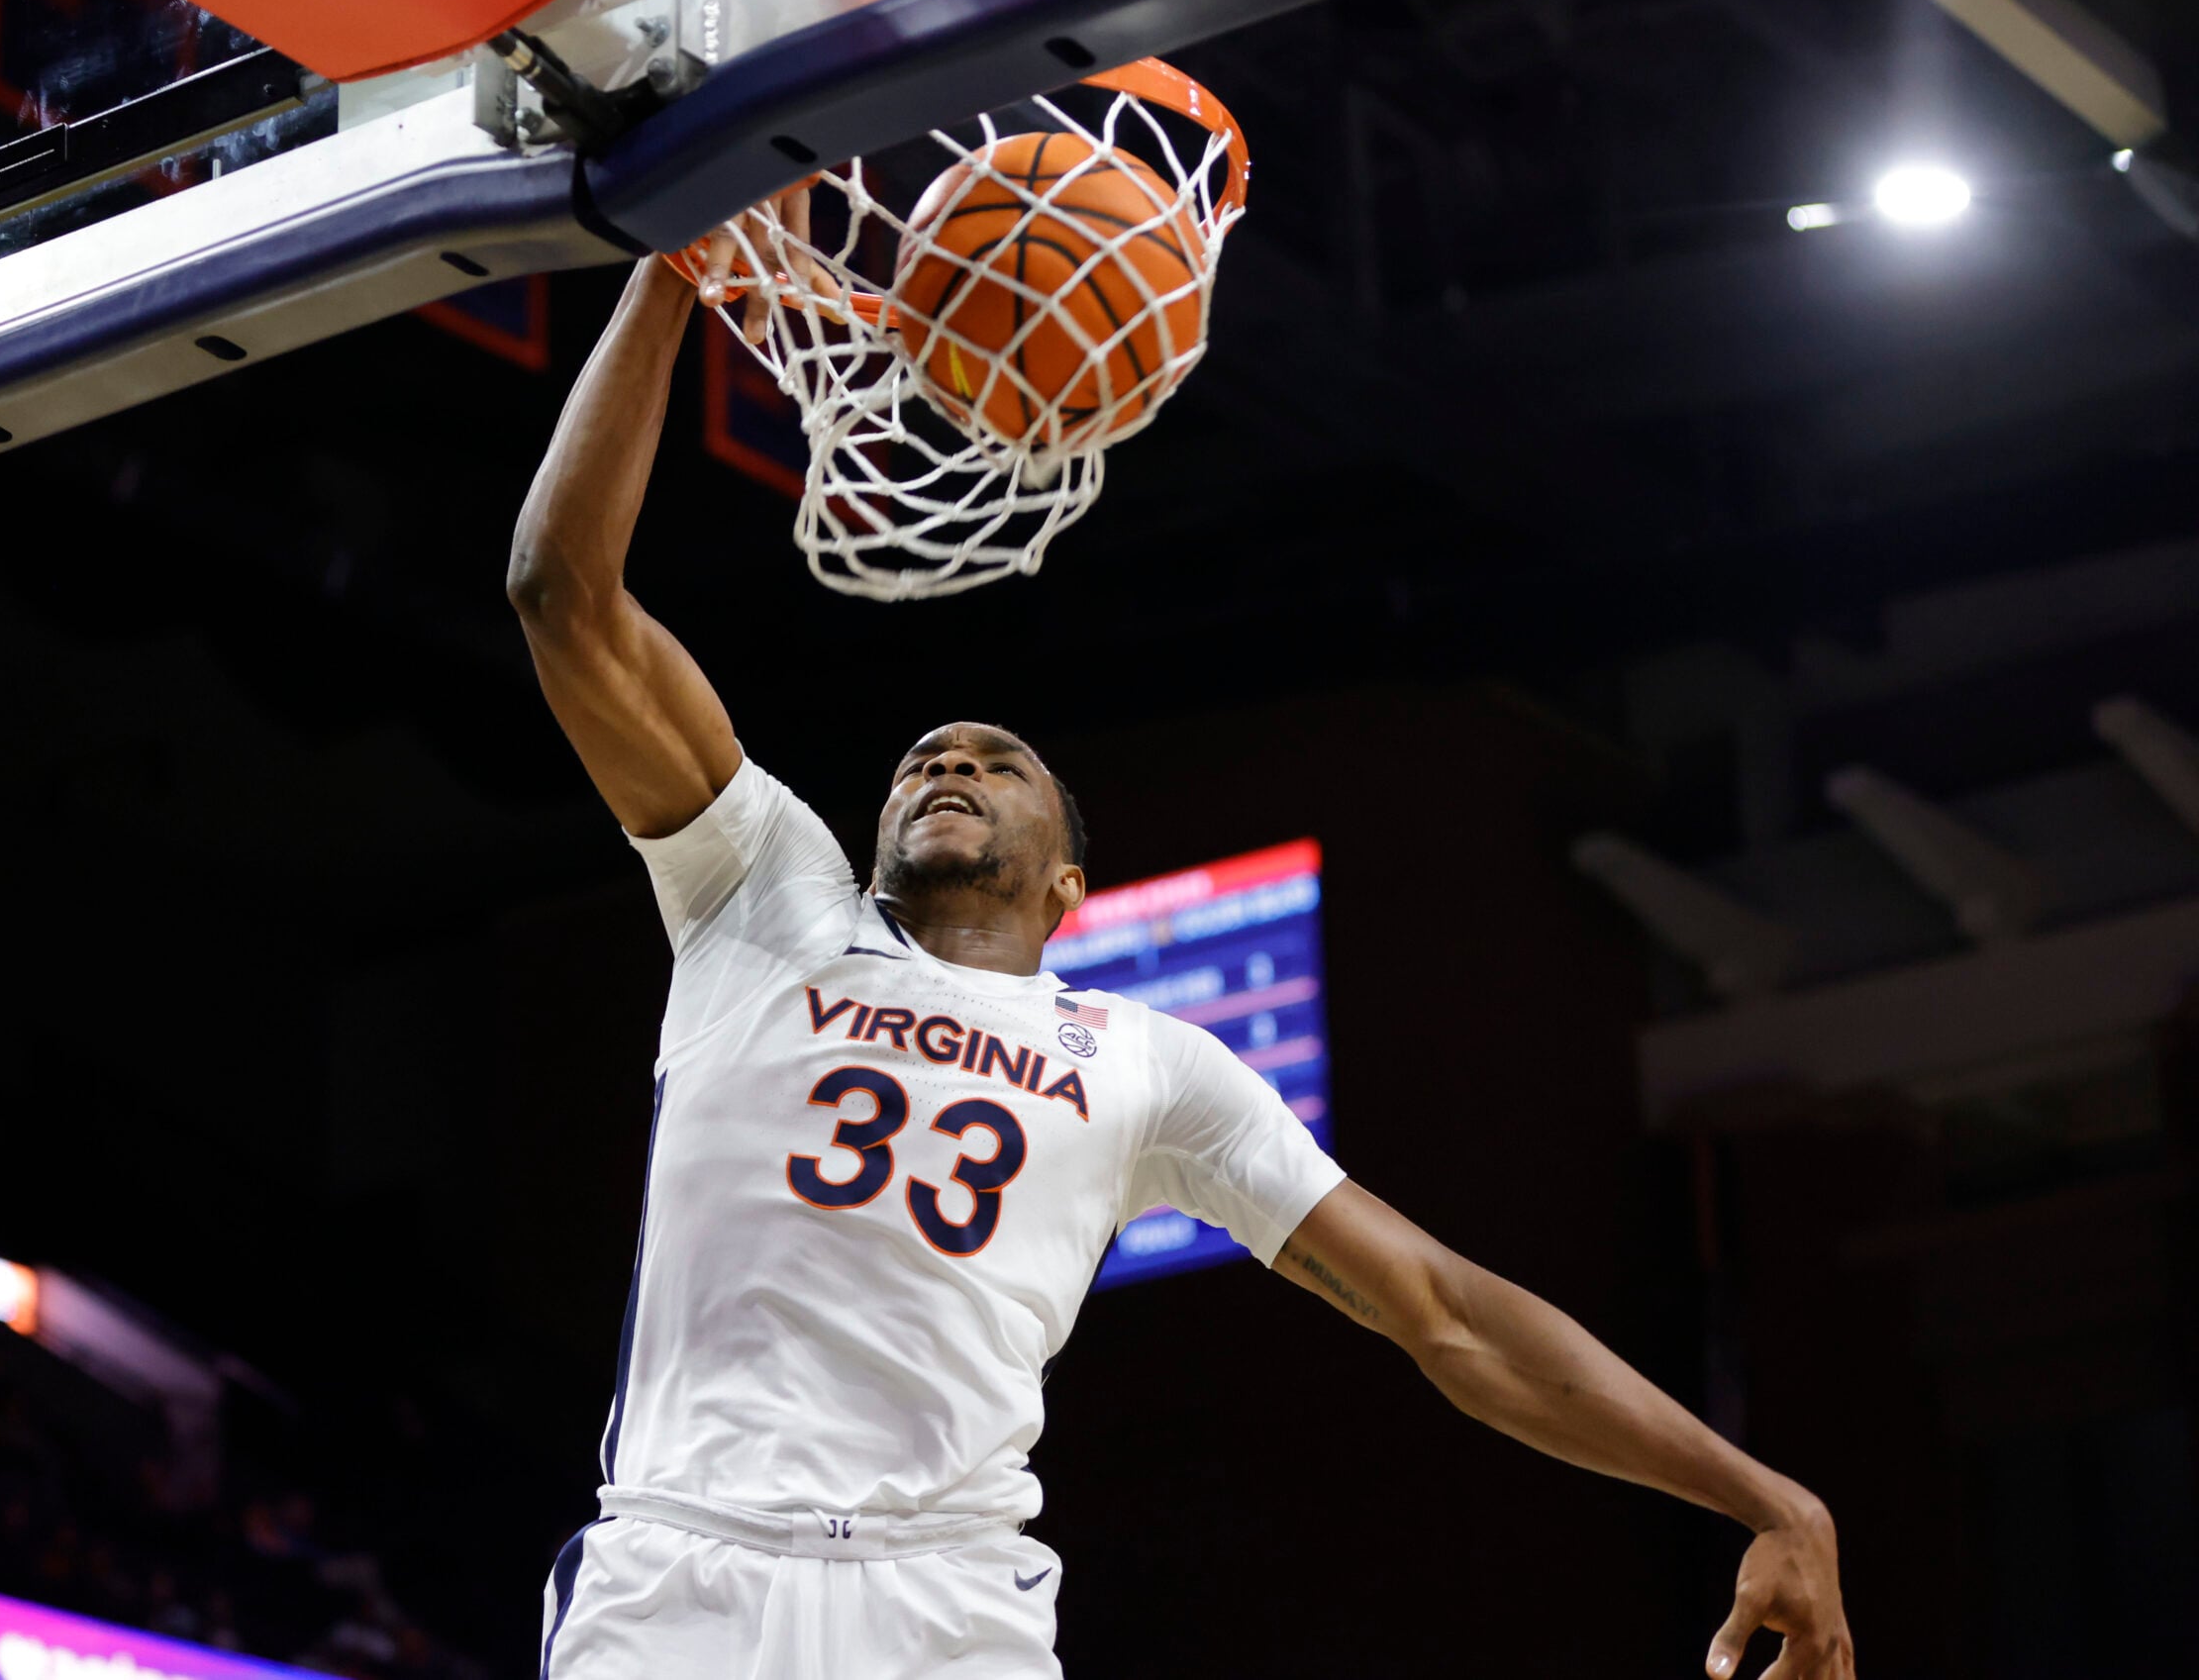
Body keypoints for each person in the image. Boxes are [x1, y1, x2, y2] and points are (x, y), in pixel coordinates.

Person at [506, 250, 1854, 1680]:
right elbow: (561, 591)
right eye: (922, 760)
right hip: (687, 1568)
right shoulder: (761, 891)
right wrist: (674, 266)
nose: (949, 760)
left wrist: (1766, 1495)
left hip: (947, 1604)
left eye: (997, 763)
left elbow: (1446, 1314)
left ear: (1070, 885)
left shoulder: (1150, 1066)